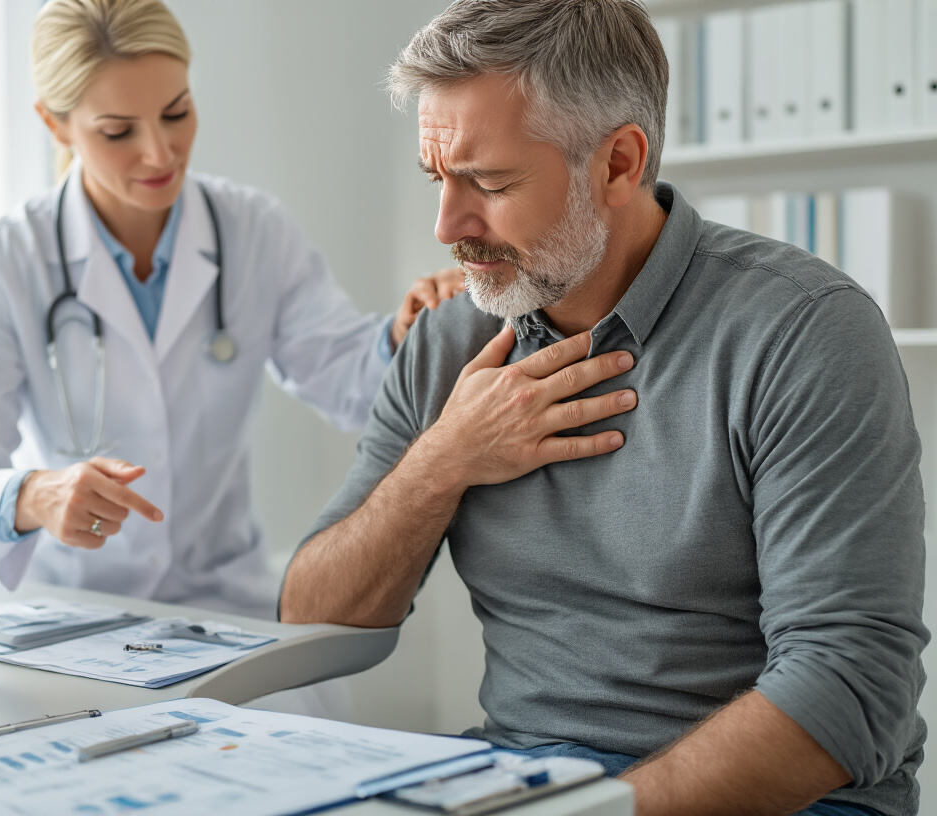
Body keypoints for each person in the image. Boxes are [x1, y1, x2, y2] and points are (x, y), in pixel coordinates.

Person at [279, 2, 927, 815]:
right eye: (437, 178)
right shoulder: (451, 343)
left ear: (620, 163)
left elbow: (849, 688)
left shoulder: (802, 329)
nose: (448, 224)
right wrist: (443, 459)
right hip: (514, 774)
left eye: (490, 181)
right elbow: (309, 625)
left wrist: (590, 811)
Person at [0, 0, 463, 622]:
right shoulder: (8, 257)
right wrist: (32, 495)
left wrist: (405, 336)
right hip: (66, 607)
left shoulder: (253, 231)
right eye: (118, 130)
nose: (160, 153)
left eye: (176, 113)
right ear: (56, 124)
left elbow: (346, 380)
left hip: (221, 606)